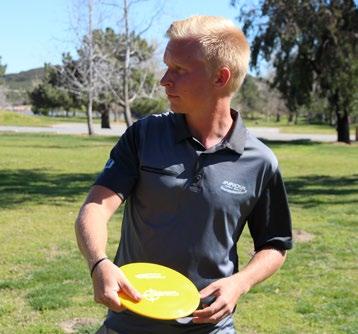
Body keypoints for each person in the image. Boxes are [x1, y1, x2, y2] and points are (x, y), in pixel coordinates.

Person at [75, 15, 292, 334]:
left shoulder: (260, 162)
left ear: (220, 77)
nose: (164, 80)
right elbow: (95, 208)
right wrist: (99, 263)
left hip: (209, 326)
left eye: (178, 70)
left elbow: (274, 245)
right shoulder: (143, 136)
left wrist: (240, 283)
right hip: (129, 322)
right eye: (166, 66)